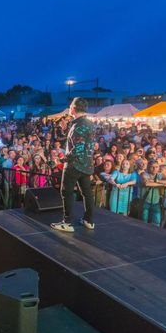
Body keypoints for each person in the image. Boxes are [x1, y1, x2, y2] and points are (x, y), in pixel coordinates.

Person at [51, 98, 96, 232]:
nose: (69, 108)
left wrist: (62, 160)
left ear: (74, 109)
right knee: (87, 193)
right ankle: (89, 220)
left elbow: (77, 149)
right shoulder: (90, 124)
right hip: (86, 165)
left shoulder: (78, 126)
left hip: (74, 165)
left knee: (66, 192)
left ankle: (67, 223)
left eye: (70, 106)